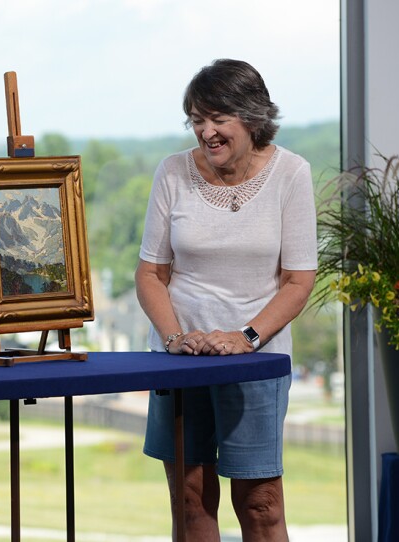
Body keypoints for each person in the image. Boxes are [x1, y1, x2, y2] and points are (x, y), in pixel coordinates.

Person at [135, 58, 317, 541]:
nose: (206, 132)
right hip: (180, 359)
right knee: (190, 499)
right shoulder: (172, 172)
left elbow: (299, 280)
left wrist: (246, 337)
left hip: (255, 361)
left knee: (260, 504)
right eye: (197, 120)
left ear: (252, 117)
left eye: (218, 120)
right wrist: (174, 338)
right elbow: (151, 273)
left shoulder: (291, 173)